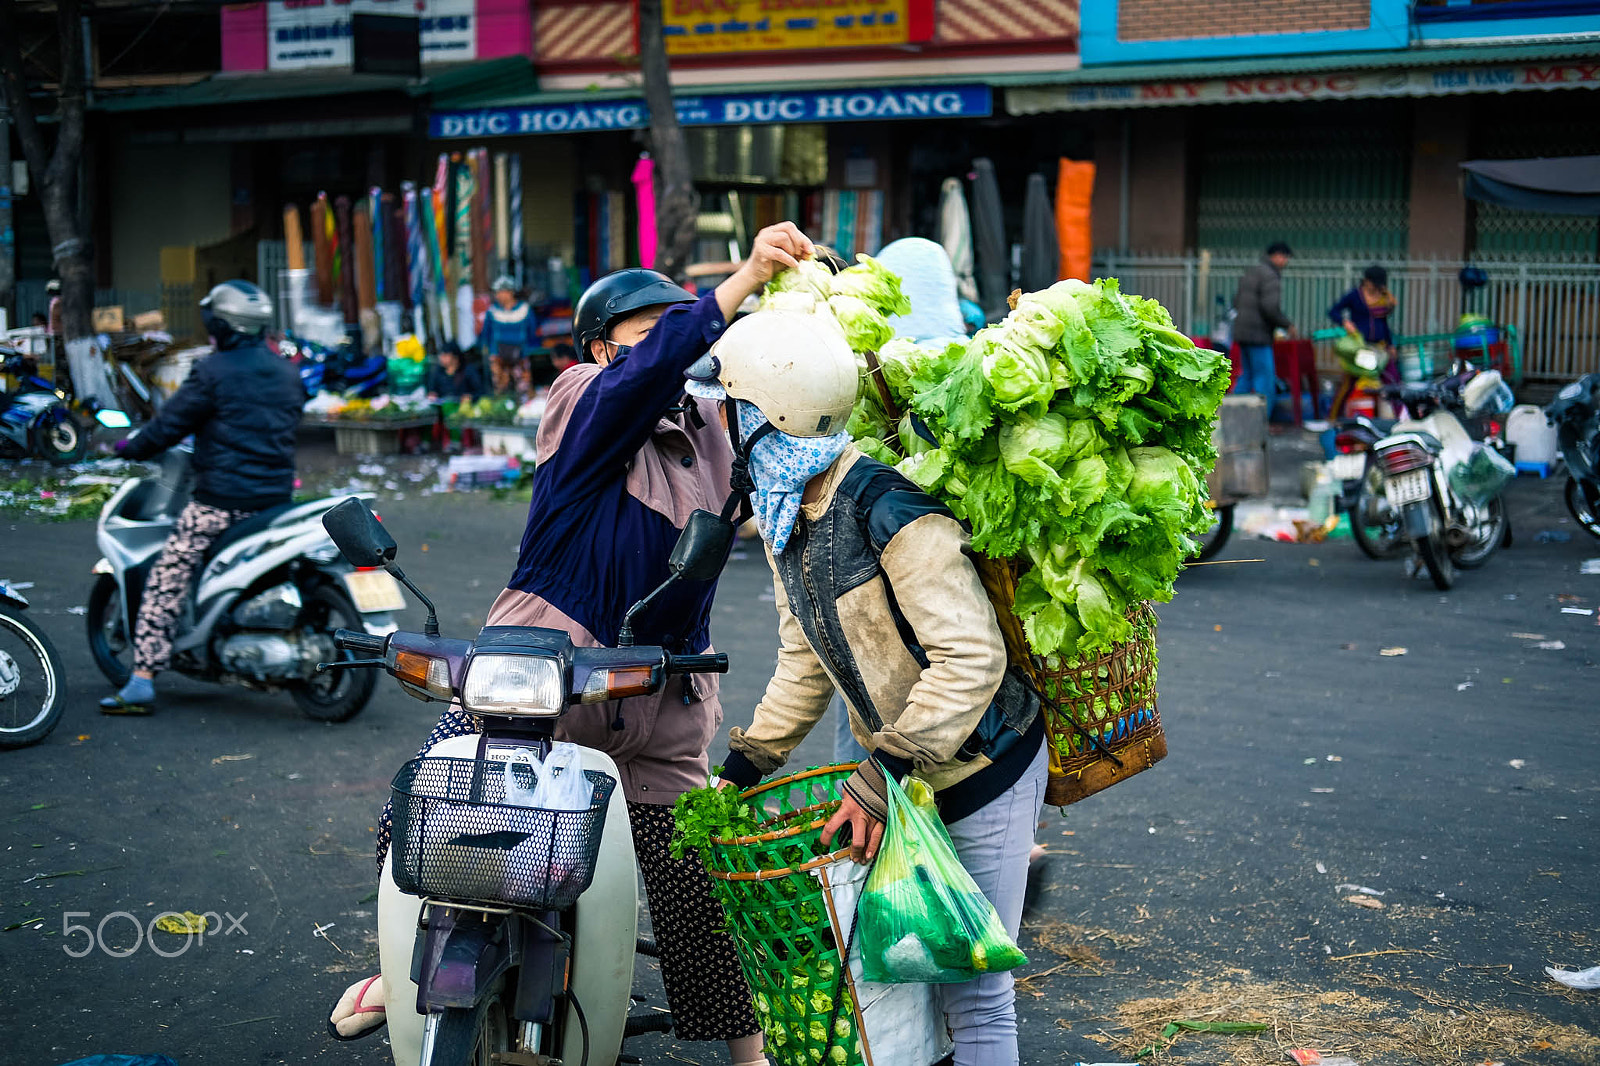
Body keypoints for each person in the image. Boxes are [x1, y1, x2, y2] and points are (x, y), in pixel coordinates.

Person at [329, 224, 817, 1066]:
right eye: (649, 328)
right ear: (601, 346)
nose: (677, 343)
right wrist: (738, 282)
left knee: (692, 880)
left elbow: (796, 433)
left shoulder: (713, 426)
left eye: (683, 325)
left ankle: (747, 1053)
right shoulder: (581, 396)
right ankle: (395, 968)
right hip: (538, 668)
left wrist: (810, 323)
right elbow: (643, 377)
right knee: (423, 810)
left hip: (662, 689)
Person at [690, 309, 1047, 1066]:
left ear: (762, 417)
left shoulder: (889, 508)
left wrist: (885, 769)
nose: (721, 426)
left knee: (973, 988)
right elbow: (804, 660)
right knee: (911, 982)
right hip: (903, 774)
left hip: (982, 765)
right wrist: (744, 767)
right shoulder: (791, 510)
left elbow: (971, 658)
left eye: (729, 409)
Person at [99, 281, 304, 713]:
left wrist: (126, 446)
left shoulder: (213, 371)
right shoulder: (287, 370)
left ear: (223, 324)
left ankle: (140, 680)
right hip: (276, 501)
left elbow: (168, 427)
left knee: (166, 576)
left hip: (220, 503)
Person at [1328, 264, 1399, 418]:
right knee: (1349, 383)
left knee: (1392, 380)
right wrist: (1345, 322)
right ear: (1367, 281)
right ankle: (1333, 418)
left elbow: (1384, 323)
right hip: (1362, 348)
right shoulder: (1355, 295)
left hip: (1380, 347)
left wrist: (1390, 344)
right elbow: (1333, 311)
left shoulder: (1383, 298)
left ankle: (1400, 418)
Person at [1231, 241, 1295, 400]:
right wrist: (1287, 325)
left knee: (1246, 376)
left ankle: (1232, 416)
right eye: (1286, 257)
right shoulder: (1271, 276)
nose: (1286, 262)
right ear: (1278, 256)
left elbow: (1236, 301)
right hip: (1258, 335)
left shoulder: (1251, 272)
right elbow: (1270, 307)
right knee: (1264, 380)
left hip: (1241, 331)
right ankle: (1262, 419)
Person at [479, 275, 539, 398]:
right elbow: (486, 334)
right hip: (498, 357)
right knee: (500, 390)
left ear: (510, 292)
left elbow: (532, 331)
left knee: (524, 388)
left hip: (520, 355)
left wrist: (527, 349)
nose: (497, 296)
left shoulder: (524, 309)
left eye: (500, 292)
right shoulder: (492, 311)